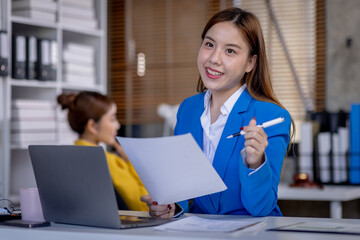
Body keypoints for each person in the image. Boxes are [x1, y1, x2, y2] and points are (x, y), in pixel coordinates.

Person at [141, 7, 293, 218]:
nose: (214, 58)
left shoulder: (272, 116)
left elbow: (261, 207)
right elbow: (184, 187)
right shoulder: (188, 109)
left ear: (250, 63)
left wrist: (255, 163)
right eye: (209, 44)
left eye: (230, 51)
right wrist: (172, 206)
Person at [57, 91, 148, 211]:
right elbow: (144, 206)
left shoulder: (66, 158)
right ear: (92, 126)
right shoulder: (109, 162)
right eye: (112, 119)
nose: (118, 125)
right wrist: (131, 160)